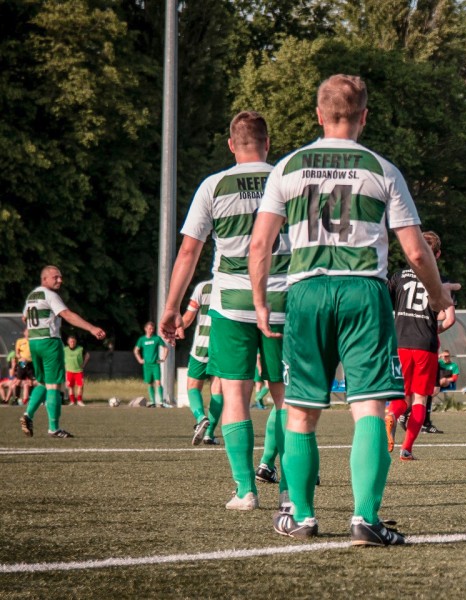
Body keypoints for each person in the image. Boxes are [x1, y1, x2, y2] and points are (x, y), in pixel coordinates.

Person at [249, 74, 453, 543]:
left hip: (305, 294)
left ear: (319, 115)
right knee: (369, 408)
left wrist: (262, 301)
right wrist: (440, 297)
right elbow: (417, 252)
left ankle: (300, 515)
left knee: (300, 412)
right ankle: (365, 517)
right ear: (364, 117)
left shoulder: (288, 167)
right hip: (364, 291)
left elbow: (260, 244)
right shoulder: (381, 169)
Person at [160, 110, 289, 512]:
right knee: (288, 399)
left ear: (232, 145)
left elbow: (188, 251)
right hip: (285, 301)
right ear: (268, 143)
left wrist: (171, 306)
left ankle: (245, 490)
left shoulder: (213, 185)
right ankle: (290, 489)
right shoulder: (287, 178)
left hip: (231, 303)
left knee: (234, 393)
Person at [386, 232, 460, 459]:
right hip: (425, 345)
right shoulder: (440, 281)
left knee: (401, 395)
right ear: (437, 254)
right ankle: (406, 449)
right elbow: (450, 319)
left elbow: (385, 308)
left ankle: (390, 414)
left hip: (400, 343)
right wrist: (429, 328)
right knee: (419, 399)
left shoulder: (398, 276)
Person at [20, 265, 106, 438]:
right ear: (44, 279)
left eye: (60, 277)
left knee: (43, 383)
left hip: (34, 343)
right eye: (55, 277)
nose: (60, 280)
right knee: (54, 386)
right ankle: (54, 428)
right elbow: (67, 314)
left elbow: (24, 318)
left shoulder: (31, 296)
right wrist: (91, 328)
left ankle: (28, 415)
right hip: (49, 343)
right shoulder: (50, 295)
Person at [179, 279, 224, 445]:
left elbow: (188, 318)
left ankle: (200, 417)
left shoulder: (203, 287)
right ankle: (209, 434)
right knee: (218, 390)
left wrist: (177, 326)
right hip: (223, 346)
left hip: (201, 345)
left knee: (192, 386)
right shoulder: (237, 284)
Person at [134, 321, 168, 407]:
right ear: (145, 329)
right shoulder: (142, 339)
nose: (151, 330)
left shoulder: (156, 339)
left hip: (155, 364)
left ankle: (161, 402)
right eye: (149, 328)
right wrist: (140, 359)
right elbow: (136, 350)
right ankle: (152, 401)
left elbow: (166, 348)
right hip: (146, 365)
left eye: (152, 328)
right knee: (149, 383)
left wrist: (163, 359)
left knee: (158, 382)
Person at [63, 335, 90, 406]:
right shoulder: (64, 350)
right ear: (68, 342)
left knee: (80, 386)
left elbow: (87, 355)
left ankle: (79, 400)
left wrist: (84, 365)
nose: (72, 343)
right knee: (70, 387)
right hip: (69, 371)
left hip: (79, 371)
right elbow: (60, 358)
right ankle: (72, 401)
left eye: (74, 341)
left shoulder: (80, 349)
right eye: (71, 341)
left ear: (76, 342)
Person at [14, 329, 34, 405]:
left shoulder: (33, 342)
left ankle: (31, 399)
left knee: (30, 382)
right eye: (27, 331)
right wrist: (21, 358)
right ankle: (16, 398)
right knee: (18, 381)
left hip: (30, 363)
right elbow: (17, 353)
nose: (28, 333)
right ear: (24, 333)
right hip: (22, 363)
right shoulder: (20, 341)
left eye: (30, 331)